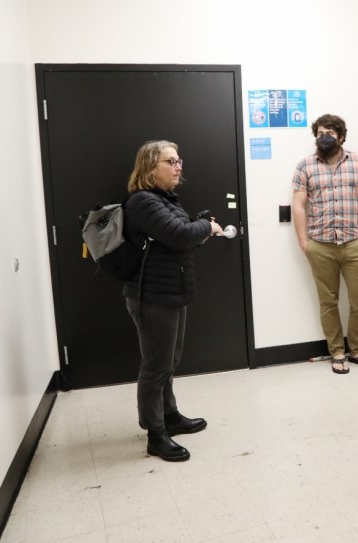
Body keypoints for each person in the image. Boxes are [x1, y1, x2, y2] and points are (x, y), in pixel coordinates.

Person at [123, 140, 223, 462]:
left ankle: (170, 416)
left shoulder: (167, 201)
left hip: (171, 292)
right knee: (155, 365)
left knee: (170, 361)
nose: (179, 166)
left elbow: (182, 239)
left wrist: (197, 230)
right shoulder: (143, 202)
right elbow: (181, 235)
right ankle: (155, 434)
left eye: (180, 160)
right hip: (151, 296)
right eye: (171, 161)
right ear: (151, 168)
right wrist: (206, 226)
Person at [292, 114, 358, 374]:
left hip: (355, 243)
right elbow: (298, 204)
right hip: (320, 245)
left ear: (341, 136)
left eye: (330, 133)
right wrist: (304, 243)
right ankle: (337, 353)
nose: (324, 138)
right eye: (320, 133)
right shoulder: (305, 165)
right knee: (328, 302)